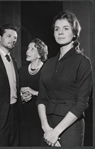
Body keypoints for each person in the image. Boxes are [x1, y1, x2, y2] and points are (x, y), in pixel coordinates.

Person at [36, 10, 92, 147]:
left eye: (65, 28)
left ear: (74, 33)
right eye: (57, 29)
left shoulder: (83, 62)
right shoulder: (48, 64)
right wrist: (46, 128)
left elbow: (82, 103)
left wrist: (56, 132)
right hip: (47, 127)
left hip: (70, 127)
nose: (60, 32)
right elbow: (41, 99)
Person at [19, 38, 48, 146]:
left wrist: (34, 92)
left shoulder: (47, 70)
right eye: (27, 48)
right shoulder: (21, 71)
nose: (27, 51)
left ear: (40, 54)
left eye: (32, 49)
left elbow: (52, 95)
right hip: (24, 119)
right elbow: (16, 91)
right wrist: (22, 95)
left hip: (41, 119)